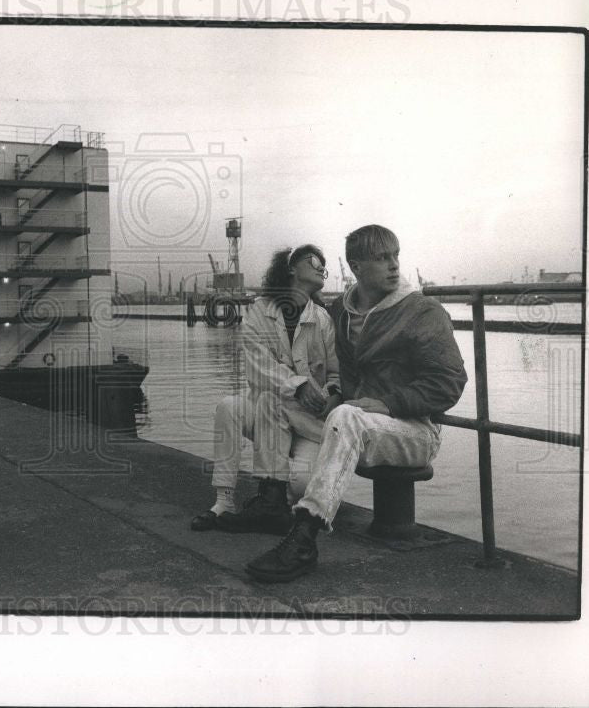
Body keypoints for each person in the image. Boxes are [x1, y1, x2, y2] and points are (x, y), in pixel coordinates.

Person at [244, 225, 468, 582]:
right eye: (381, 258)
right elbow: (331, 367)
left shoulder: (422, 311)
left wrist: (390, 404)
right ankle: (270, 498)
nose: (394, 265)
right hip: (354, 424)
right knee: (273, 398)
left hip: (414, 432)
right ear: (356, 267)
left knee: (348, 416)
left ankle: (304, 539)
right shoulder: (338, 313)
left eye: (396, 256)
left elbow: (449, 383)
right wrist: (326, 392)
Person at [190, 244, 341, 534]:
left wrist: (333, 394)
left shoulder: (322, 320)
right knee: (229, 407)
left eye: (325, 264)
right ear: (291, 268)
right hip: (269, 412)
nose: (322, 266)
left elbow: (336, 371)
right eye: (314, 261)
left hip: (308, 420)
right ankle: (224, 501)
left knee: (301, 485)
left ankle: (275, 501)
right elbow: (257, 362)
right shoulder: (259, 311)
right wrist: (297, 386)